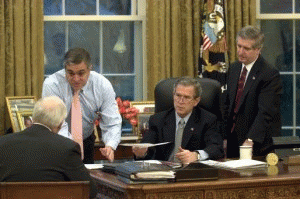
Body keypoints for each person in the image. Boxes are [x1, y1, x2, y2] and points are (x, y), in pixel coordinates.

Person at [0, 96, 97, 199]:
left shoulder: (2, 143)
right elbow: (90, 191)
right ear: (60, 124)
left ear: (33, 117)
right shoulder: (67, 148)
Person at [42, 47, 122, 163]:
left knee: (87, 178)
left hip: (86, 141)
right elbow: (56, 123)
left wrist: (110, 145)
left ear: (90, 69)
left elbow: (112, 121)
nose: (76, 79)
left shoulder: (102, 85)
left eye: (81, 73)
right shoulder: (52, 85)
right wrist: (72, 148)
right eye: (70, 73)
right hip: (56, 143)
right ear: (65, 69)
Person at [132, 77, 224, 164]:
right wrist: (141, 153)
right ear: (173, 96)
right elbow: (148, 149)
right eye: (178, 95)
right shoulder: (157, 120)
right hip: (164, 172)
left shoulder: (207, 120)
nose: (180, 101)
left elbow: (216, 148)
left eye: (186, 97)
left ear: (196, 101)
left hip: (192, 172)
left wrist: (196, 155)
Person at [223, 25, 283, 158]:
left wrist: (250, 139)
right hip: (233, 140)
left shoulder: (269, 74)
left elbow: (265, 112)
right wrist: (224, 136)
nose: (240, 52)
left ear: (258, 50)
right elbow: (227, 104)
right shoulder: (234, 68)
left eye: (246, 48)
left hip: (257, 143)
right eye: (239, 46)